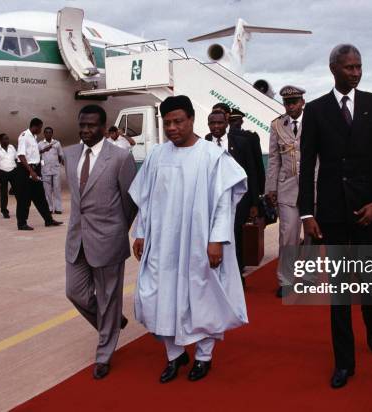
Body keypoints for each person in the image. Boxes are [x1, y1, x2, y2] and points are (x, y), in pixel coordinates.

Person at [130, 95, 248, 383]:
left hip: (199, 243)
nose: (172, 128)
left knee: (203, 297)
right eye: (167, 122)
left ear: (192, 119)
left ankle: (203, 357)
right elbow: (145, 199)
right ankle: (174, 355)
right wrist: (141, 233)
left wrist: (217, 239)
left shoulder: (212, 156)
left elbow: (223, 202)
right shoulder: (157, 155)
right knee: (159, 295)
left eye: (178, 121)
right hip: (162, 244)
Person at [297, 44, 372, 389]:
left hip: (368, 211)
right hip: (333, 212)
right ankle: (343, 362)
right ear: (333, 69)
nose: (356, 72)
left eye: (359, 66)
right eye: (349, 67)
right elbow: (307, 164)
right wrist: (307, 212)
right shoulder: (317, 110)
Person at [64, 105, 138, 379]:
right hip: (76, 239)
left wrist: (118, 231)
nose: (85, 130)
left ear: (104, 127)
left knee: (108, 299)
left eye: (92, 125)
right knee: (75, 292)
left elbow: (130, 202)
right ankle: (112, 322)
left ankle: (104, 354)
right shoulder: (70, 154)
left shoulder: (120, 158)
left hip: (108, 240)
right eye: (82, 125)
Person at [205, 111, 259, 281]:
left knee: (235, 236)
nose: (216, 127)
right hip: (211, 203)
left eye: (219, 123)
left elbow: (251, 172)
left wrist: (254, 203)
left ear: (226, 123)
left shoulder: (241, 143)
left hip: (238, 201)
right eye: (212, 123)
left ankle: (237, 276)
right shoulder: (202, 144)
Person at [266, 85, 306, 297]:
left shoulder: (315, 121)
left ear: (302, 102)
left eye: (295, 102)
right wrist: (270, 188)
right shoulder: (277, 125)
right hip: (287, 187)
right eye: (287, 103)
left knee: (311, 235)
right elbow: (273, 159)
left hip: (312, 187)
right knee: (288, 235)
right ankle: (286, 280)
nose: (291, 106)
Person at [15, 118, 62, 230]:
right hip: (26, 170)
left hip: (35, 169)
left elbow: (31, 153)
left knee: (40, 197)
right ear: (35, 126)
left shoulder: (34, 137)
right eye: (40, 127)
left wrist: (43, 151)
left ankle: (48, 220)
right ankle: (22, 223)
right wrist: (31, 172)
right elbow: (21, 156)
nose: (41, 130)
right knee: (24, 199)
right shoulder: (24, 136)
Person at [229, 108, 265, 195]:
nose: (233, 123)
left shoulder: (251, 137)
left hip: (247, 183)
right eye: (231, 121)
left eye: (235, 120)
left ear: (241, 121)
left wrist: (260, 188)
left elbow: (258, 163)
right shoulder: (224, 137)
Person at [38, 127, 64, 214]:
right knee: (47, 190)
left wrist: (57, 164)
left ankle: (58, 208)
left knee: (57, 189)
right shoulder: (40, 144)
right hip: (45, 170)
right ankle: (49, 208)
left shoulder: (57, 143)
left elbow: (60, 155)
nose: (48, 134)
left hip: (56, 169)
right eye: (46, 132)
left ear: (52, 134)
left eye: (50, 132)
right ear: (44, 134)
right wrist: (43, 165)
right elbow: (38, 156)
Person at [0, 133, 17, 218]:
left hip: (13, 172)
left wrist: (18, 172)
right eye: (5, 139)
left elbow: (16, 160)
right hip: (3, 173)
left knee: (18, 192)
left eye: (8, 139)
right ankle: (4, 211)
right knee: (3, 194)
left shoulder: (12, 147)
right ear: (1, 140)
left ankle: (21, 209)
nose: (7, 140)